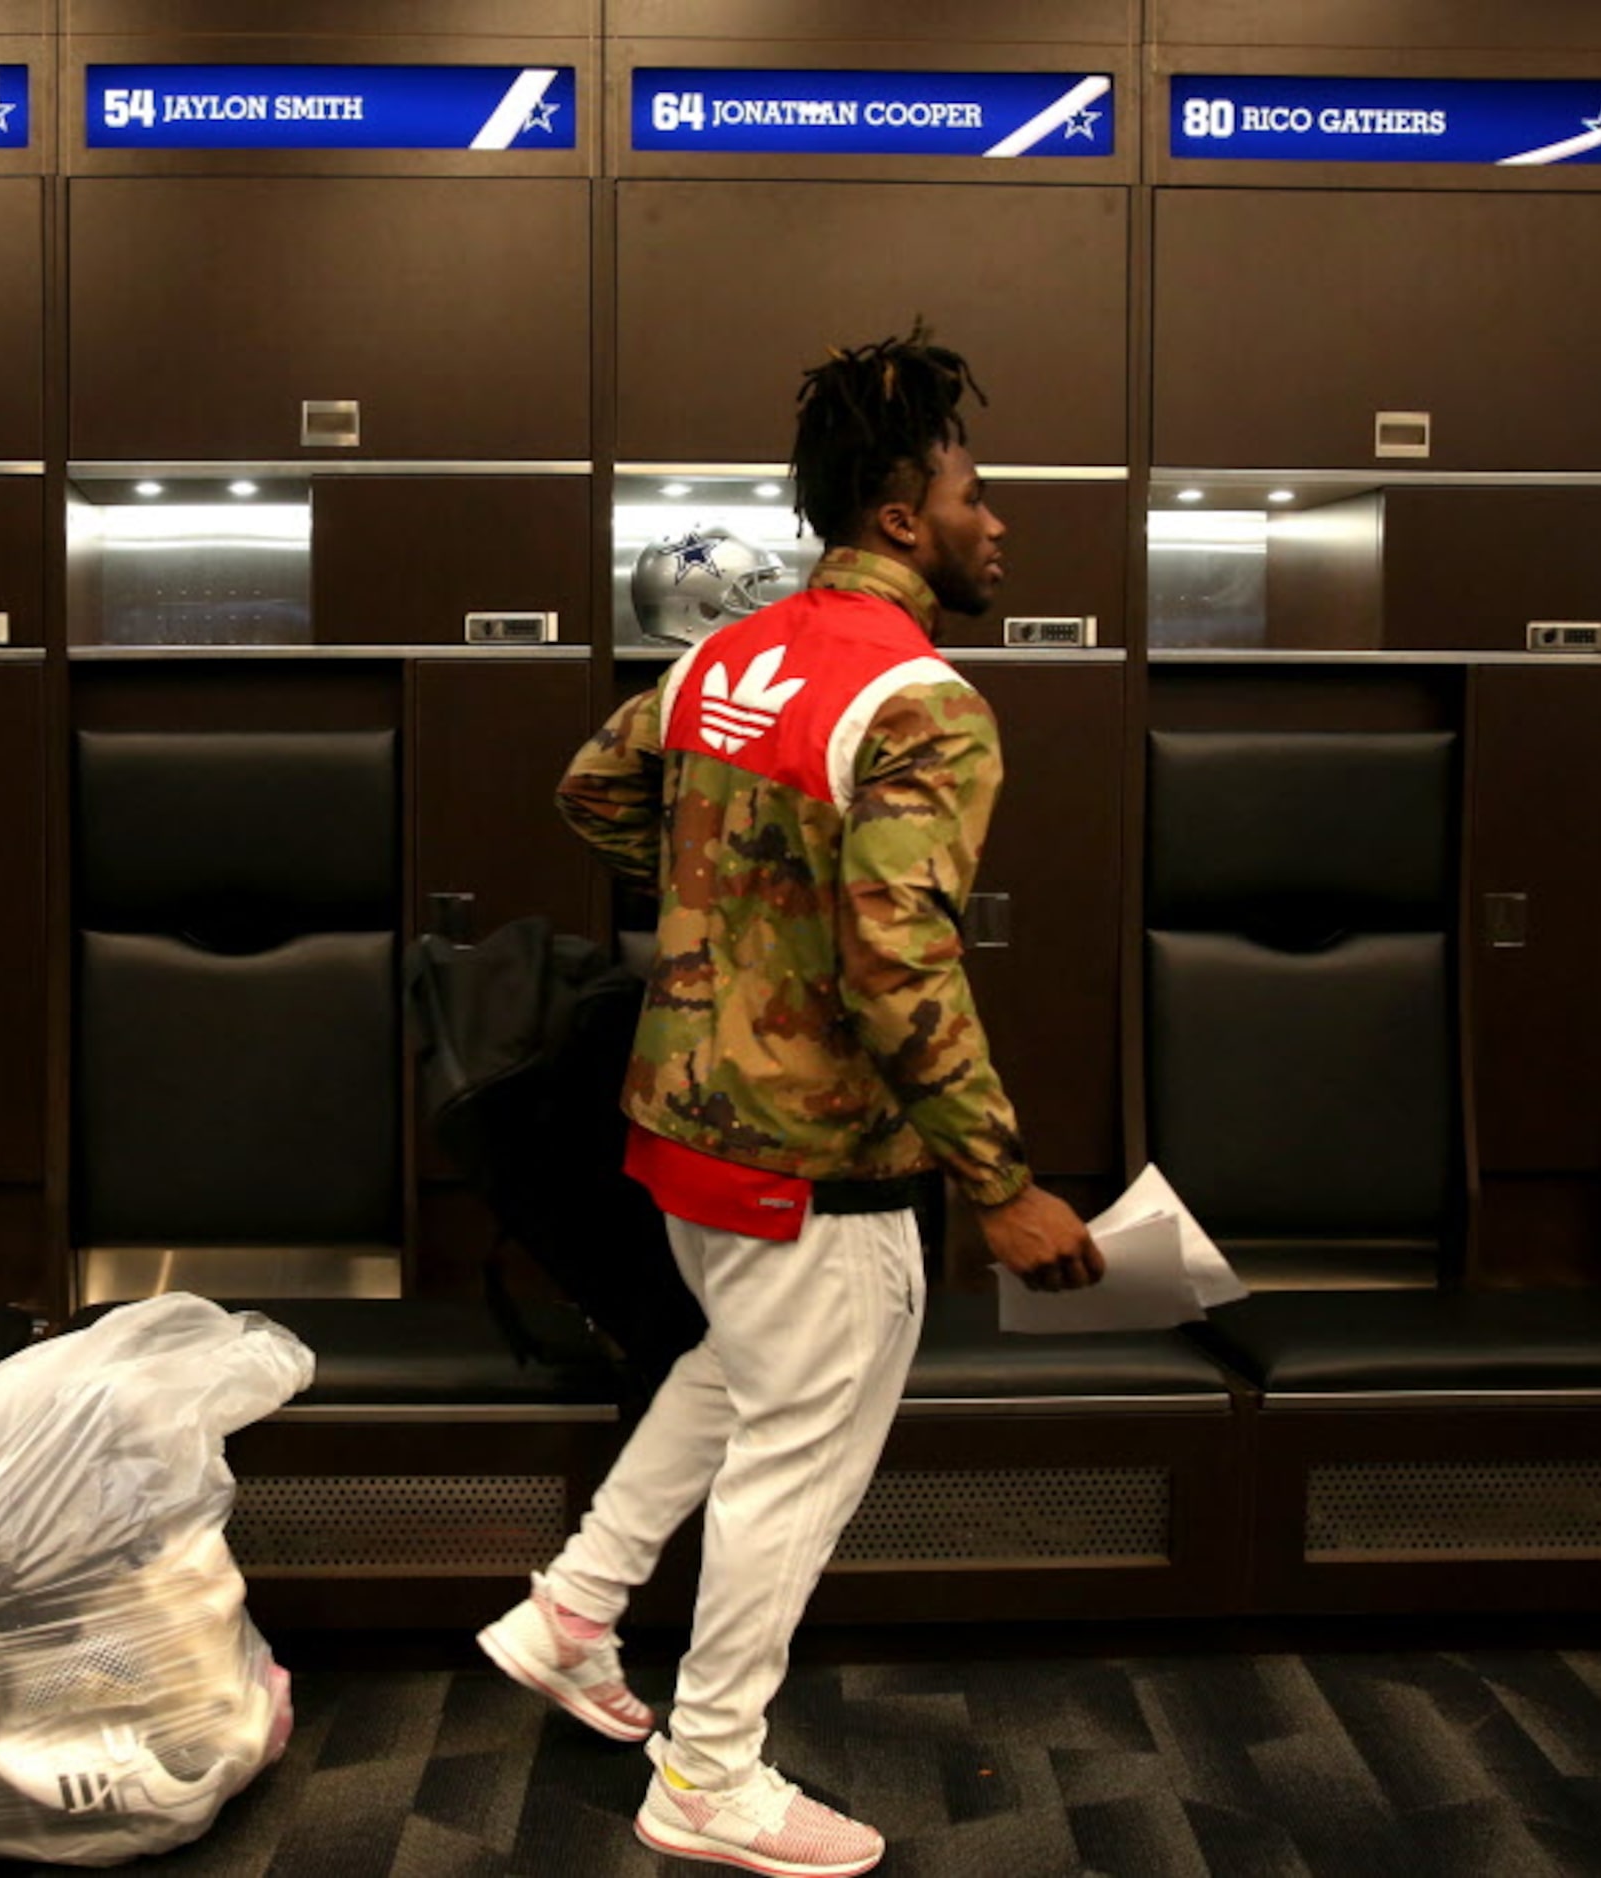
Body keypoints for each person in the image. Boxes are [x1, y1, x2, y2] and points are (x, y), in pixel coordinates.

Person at [474, 323, 1104, 1878]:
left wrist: (736, 916)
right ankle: (711, 1772)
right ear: (905, 518)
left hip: (682, 1121)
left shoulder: (722, 655)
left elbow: (594, 790)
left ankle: (571, 1608)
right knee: (798, 1451)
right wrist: (1003, 1183)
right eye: (974, 493)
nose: (995, 519)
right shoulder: (919, 700)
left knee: (731, 1373)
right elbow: (901, 962)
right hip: (820, 1159)